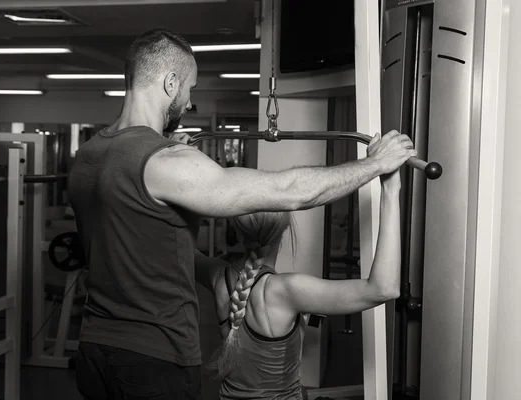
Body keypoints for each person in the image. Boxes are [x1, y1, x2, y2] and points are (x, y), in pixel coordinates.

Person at [68, 27, 416, 400]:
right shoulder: (166, 162)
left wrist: (169, 149)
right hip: (153, 360)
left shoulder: (88, 156)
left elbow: (144, 238)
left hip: (94, 350)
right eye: (190, 89)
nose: (189, 102)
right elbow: (290, 192)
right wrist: (376, 167)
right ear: (170, 82)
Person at [197, 164, 401, 400]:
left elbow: (178, 249)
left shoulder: (217, 276)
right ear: (285, 228)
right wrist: (391, 188)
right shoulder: (287, 290)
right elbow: (384, 288)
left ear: (237, 228)